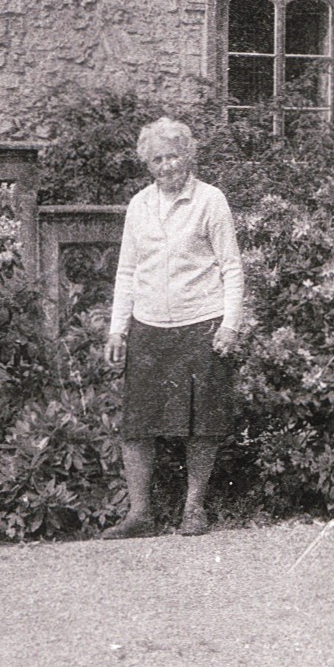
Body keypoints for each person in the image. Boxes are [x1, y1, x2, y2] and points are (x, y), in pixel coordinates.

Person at [102, 116, 244, 538]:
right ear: (148, 163)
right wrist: (117, 330)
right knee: (138, 424)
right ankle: (140, 514)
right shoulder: (139, 205)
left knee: (202, 423)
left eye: (174, 156)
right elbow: (126, 271)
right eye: (158, 158)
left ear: (189, 157)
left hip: (201, 322)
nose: (167, 166)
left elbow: (232, 266)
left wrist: (230, 325)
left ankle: (193, 508)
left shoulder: (211, 201)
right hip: (148, 325)